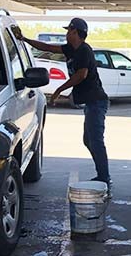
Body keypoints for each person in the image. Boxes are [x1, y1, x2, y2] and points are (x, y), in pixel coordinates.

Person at [14, 18, 112, 188]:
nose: (67, 34)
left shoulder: (84, 51)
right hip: (91, 104)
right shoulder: (71, 49)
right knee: (88, 140)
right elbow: (48, 48)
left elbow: (81, 75)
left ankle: (104, 177)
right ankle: (102, 174)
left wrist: (59, 90)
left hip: (97, 102)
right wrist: (24, 39)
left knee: (95, 140)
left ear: (76, 33)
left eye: (69, 31)